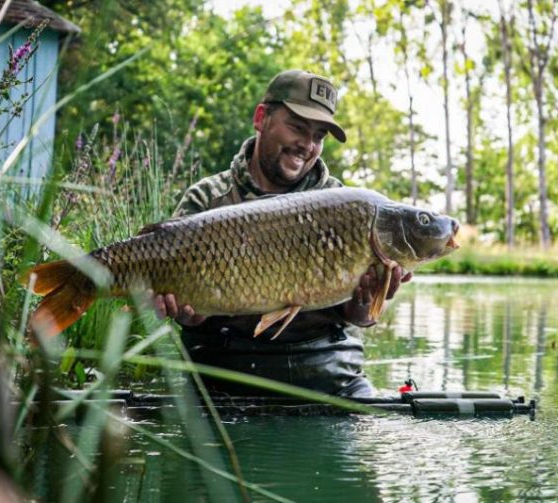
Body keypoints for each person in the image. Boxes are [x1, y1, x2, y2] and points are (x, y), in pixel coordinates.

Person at [155, 70, 410, 397]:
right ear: (261, 118)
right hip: (223, 372)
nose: (307, 145)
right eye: (297, 127)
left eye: (318, 136)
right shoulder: (207, 200)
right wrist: (189, 316)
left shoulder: (347, 208)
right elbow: (185, 315)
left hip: (326, 371)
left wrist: (367, 300)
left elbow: (358, 318)